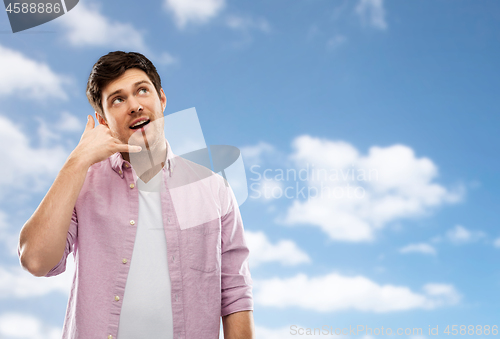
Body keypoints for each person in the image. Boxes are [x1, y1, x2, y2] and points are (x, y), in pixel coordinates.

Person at [17, 51, 254, 339]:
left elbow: (235, 295)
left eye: (142, 90)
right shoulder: (82, 184)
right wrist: (76, 162)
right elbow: (36, 261)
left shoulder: (214, 189)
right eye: (118, 99)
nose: (134, 106)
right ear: (103, 121)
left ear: (162, 99)